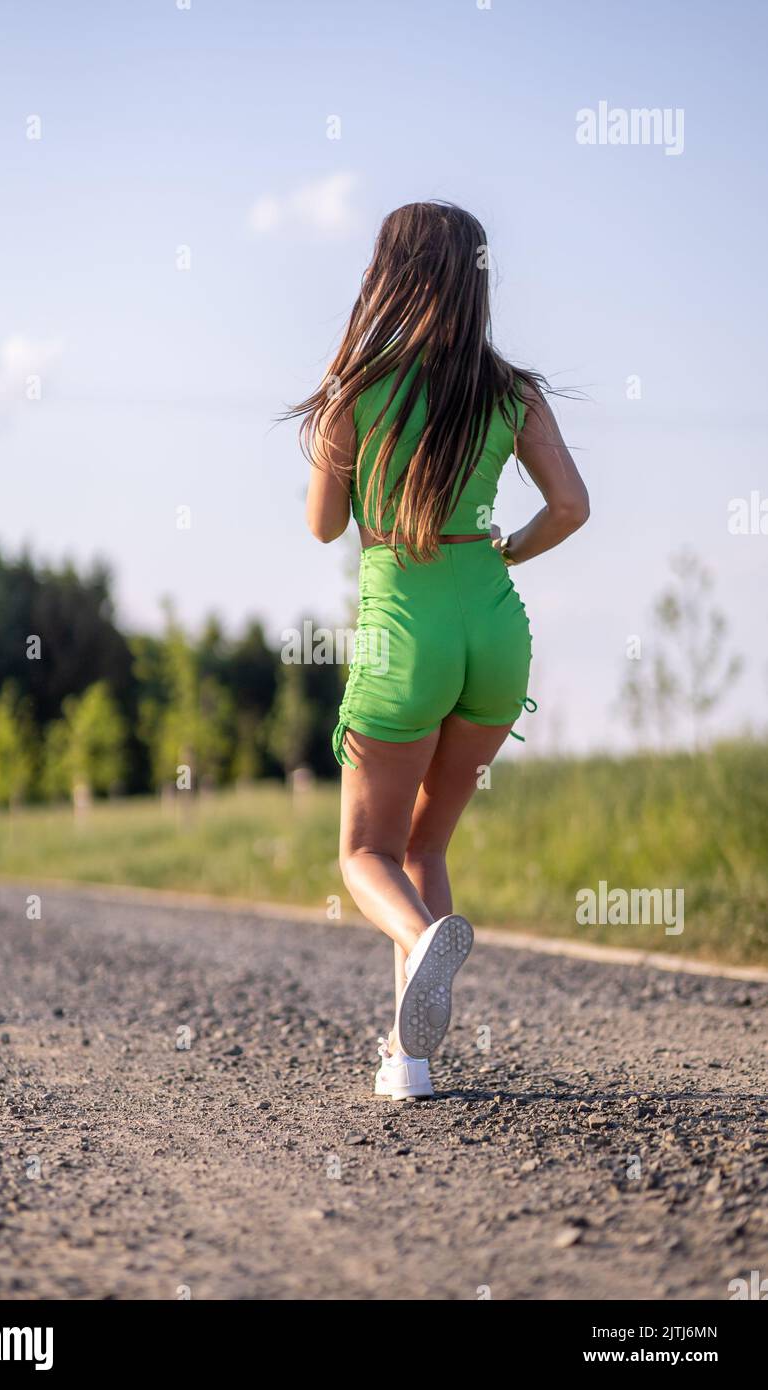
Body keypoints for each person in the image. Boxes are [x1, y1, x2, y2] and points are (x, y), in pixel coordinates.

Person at [293, 201, 589, 1100]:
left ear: (390, 275)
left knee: (364, 854)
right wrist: (502, 548)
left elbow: (323, 526)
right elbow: (571, 506)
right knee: (426, 842)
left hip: (401, 637)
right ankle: (409, 1061)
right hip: (494, 634)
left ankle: (423, 944)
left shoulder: (359, 389)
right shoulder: (512, 390)